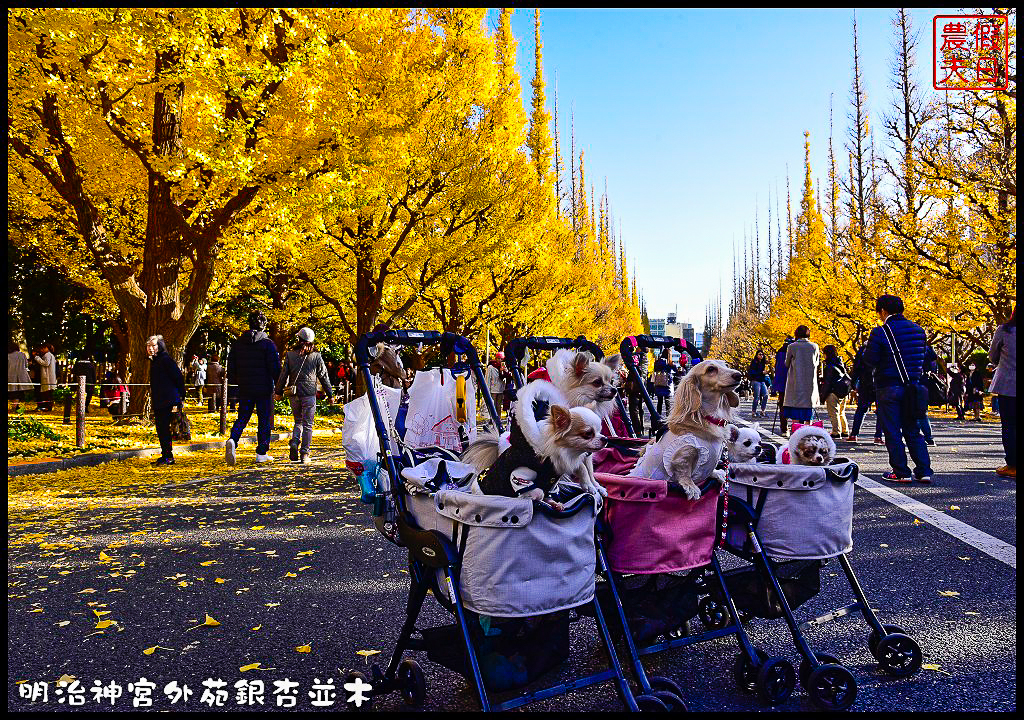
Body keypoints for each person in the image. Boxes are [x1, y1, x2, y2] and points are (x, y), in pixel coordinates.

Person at [863, 294, 933, 484]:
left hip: (888, 387)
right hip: (913, 387)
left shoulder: (880, 332)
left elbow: (870, 360)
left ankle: (901, 471)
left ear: (883, 311)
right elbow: (925, 358)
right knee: (912, 429)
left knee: (892, 430)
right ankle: (924, 470)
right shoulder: (919, 331)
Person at [225, 311, 281, 465]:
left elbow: (231, 368)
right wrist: (280, 386)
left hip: (245, 387)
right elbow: (275, 368)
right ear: (264, 325)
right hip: (264, 388)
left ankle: (233, 439)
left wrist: (239, 380)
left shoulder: (237, 344)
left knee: (242, 417)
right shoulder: (268, 344)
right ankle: (261, 452)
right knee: (264, 419)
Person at [275, 327, 333, 464]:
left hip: (294, 393)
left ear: (299, 339)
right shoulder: (316, 356)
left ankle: (295, 441)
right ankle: (305, 454)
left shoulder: (290, 355)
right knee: (308, 424)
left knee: (298, 421)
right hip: (309, 393)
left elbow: (283, 375)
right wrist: (330, 394)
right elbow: (324, 376)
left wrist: (278, 392)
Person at [147, 335, 186, 466]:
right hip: (160, 400)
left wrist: (181, 397)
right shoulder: (155, 361)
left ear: (160, 346)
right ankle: (166, 455)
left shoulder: (165, 360)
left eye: (153, 345)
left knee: (164, 428)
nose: (150, 348)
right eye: (148, 346)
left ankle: (168, 456)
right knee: (161, 428)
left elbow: (179, 378)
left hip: (168, 400)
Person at [988, 305, 1016, 478]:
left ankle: (1013, 464)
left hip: (1008, 385)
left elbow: (992, 356)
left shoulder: (1005, 331)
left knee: (1010, 426)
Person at [783, 326, 820, 428]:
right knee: (808, 414)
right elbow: (817, 363)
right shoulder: (815, 346)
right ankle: (808, 435)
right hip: (810, 384)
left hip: (796, 383)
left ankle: (796, 434)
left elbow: (786, 363)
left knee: (796, 412)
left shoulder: (792, 346)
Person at [846, 344, 883, 444]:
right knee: (881, 412)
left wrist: (854, 383)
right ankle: (878, 436)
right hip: (880, 384)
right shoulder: (882, 349)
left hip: (865, 384)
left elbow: (856, 368)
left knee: (861, 410)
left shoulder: (863, 350)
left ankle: (854, 434)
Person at [821, 345, 850, 439]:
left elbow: (827, 383)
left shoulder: (829, 366)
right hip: (843, 391)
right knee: (841, 412)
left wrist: (823, 396)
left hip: (833, 392)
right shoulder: (840, 364)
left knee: (833, 413)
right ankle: (845, 430)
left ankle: (836, 431)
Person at [64, 352, 97, 416]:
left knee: (79, 393)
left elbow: (73, 372)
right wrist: (94, 383)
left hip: (78, 380)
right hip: (89, 381)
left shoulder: (77, 364)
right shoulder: (91, 365)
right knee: (89, 394)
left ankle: (80, 406)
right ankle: (86, 405)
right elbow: (94, 375)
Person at [772, 336, 794, 434]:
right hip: (793, 382)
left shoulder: (780, 351)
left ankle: (784, 428)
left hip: (781, 383)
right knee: (795, 405)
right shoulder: (794, 350)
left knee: (782, 406)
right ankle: (796, 427)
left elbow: (777, 368)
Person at [32, 343, 58, 411]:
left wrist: (36, 358)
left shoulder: (47, 355)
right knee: (48, 393)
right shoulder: (50, 355)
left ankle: (47, 407)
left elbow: (46, 363)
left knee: (46, 393)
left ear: (46, 348)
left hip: (47, 377)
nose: (41, 350)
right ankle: (47, 407)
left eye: (42, 348)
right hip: (48, 377)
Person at [8, 342, 32, 411]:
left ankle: (14, 407)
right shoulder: (22, 355)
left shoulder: (8, 355)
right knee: (18, 393)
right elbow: (26, 365)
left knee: (12, 392)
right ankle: (15, 406)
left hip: (10, 375)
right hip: (21, 376)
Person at [485, 352, 509, 420]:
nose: (500, 360)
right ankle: (492, 419)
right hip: (493, 389)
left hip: (501, 389)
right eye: (498, 358)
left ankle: (498, 419)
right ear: (496, 358)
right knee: (492, 405)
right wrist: (487, 389)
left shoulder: (504, 367)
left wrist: (504, 370)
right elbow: (488, 378)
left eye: (502, 359)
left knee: (498, 406)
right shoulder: (491, 367)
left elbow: (507, 377)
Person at [747, 349, 770, 418]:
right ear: (757, 355)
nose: (761, 356)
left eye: (762, 354)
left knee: (765, 395)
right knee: (756, 397)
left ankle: (763, 411)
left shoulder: (763, 363)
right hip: (756, 381)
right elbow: (752, 373)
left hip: (762, 381)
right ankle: (754, 412)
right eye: (760, 354)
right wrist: (761, 373)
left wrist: (767, 372)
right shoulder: (754, 362)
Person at [653, 348, 672, 416]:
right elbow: (674, 370)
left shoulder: (657, 361)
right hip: (667, 384)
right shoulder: (669, 363)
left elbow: (655, 369)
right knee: (668, 403)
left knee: (659, 402)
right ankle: (668, 418)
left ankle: (658, 418)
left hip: (659, 383)